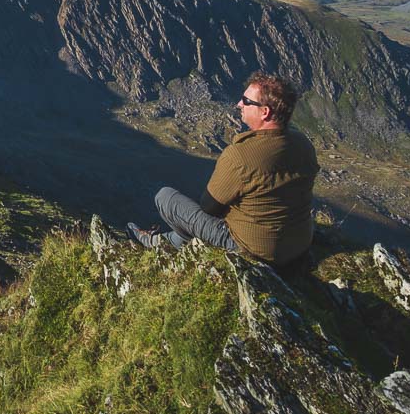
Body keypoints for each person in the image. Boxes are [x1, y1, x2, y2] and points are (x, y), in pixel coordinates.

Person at [129, 71, 318, 268]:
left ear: (265, 112)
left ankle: (157, 243)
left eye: (246, 101)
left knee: (165, 198)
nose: (239, 104)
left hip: (257, 249)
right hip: (299, 244)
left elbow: (209, 207)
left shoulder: (241, 154)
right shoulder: (303, 144)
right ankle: (165, 241)